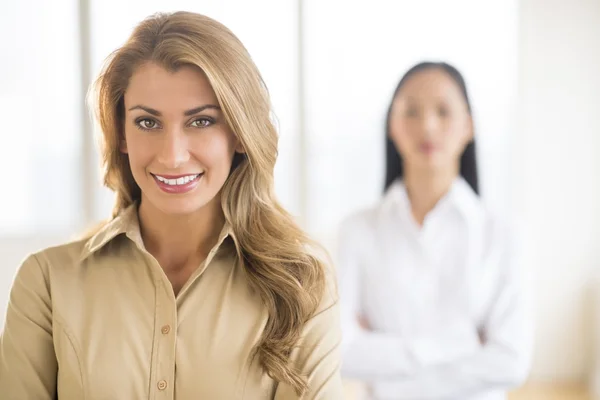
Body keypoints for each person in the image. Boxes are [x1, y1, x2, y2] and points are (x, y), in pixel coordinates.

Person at [0, 11, 343, 399]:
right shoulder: (47, 283)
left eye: (201, 122)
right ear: (122, 134)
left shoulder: (301, 284)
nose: (173, 156)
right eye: (148, 122)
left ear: (240, 134)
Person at [337, 61, 532, 399]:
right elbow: (341, 353)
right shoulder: (356, 231)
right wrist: (462, 344)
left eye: (443, 112)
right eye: (411, 112)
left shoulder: (504, 233)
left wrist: (386, 361)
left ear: (468, 126)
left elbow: (512, 362)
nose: (427, 126)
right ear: (392, 126)